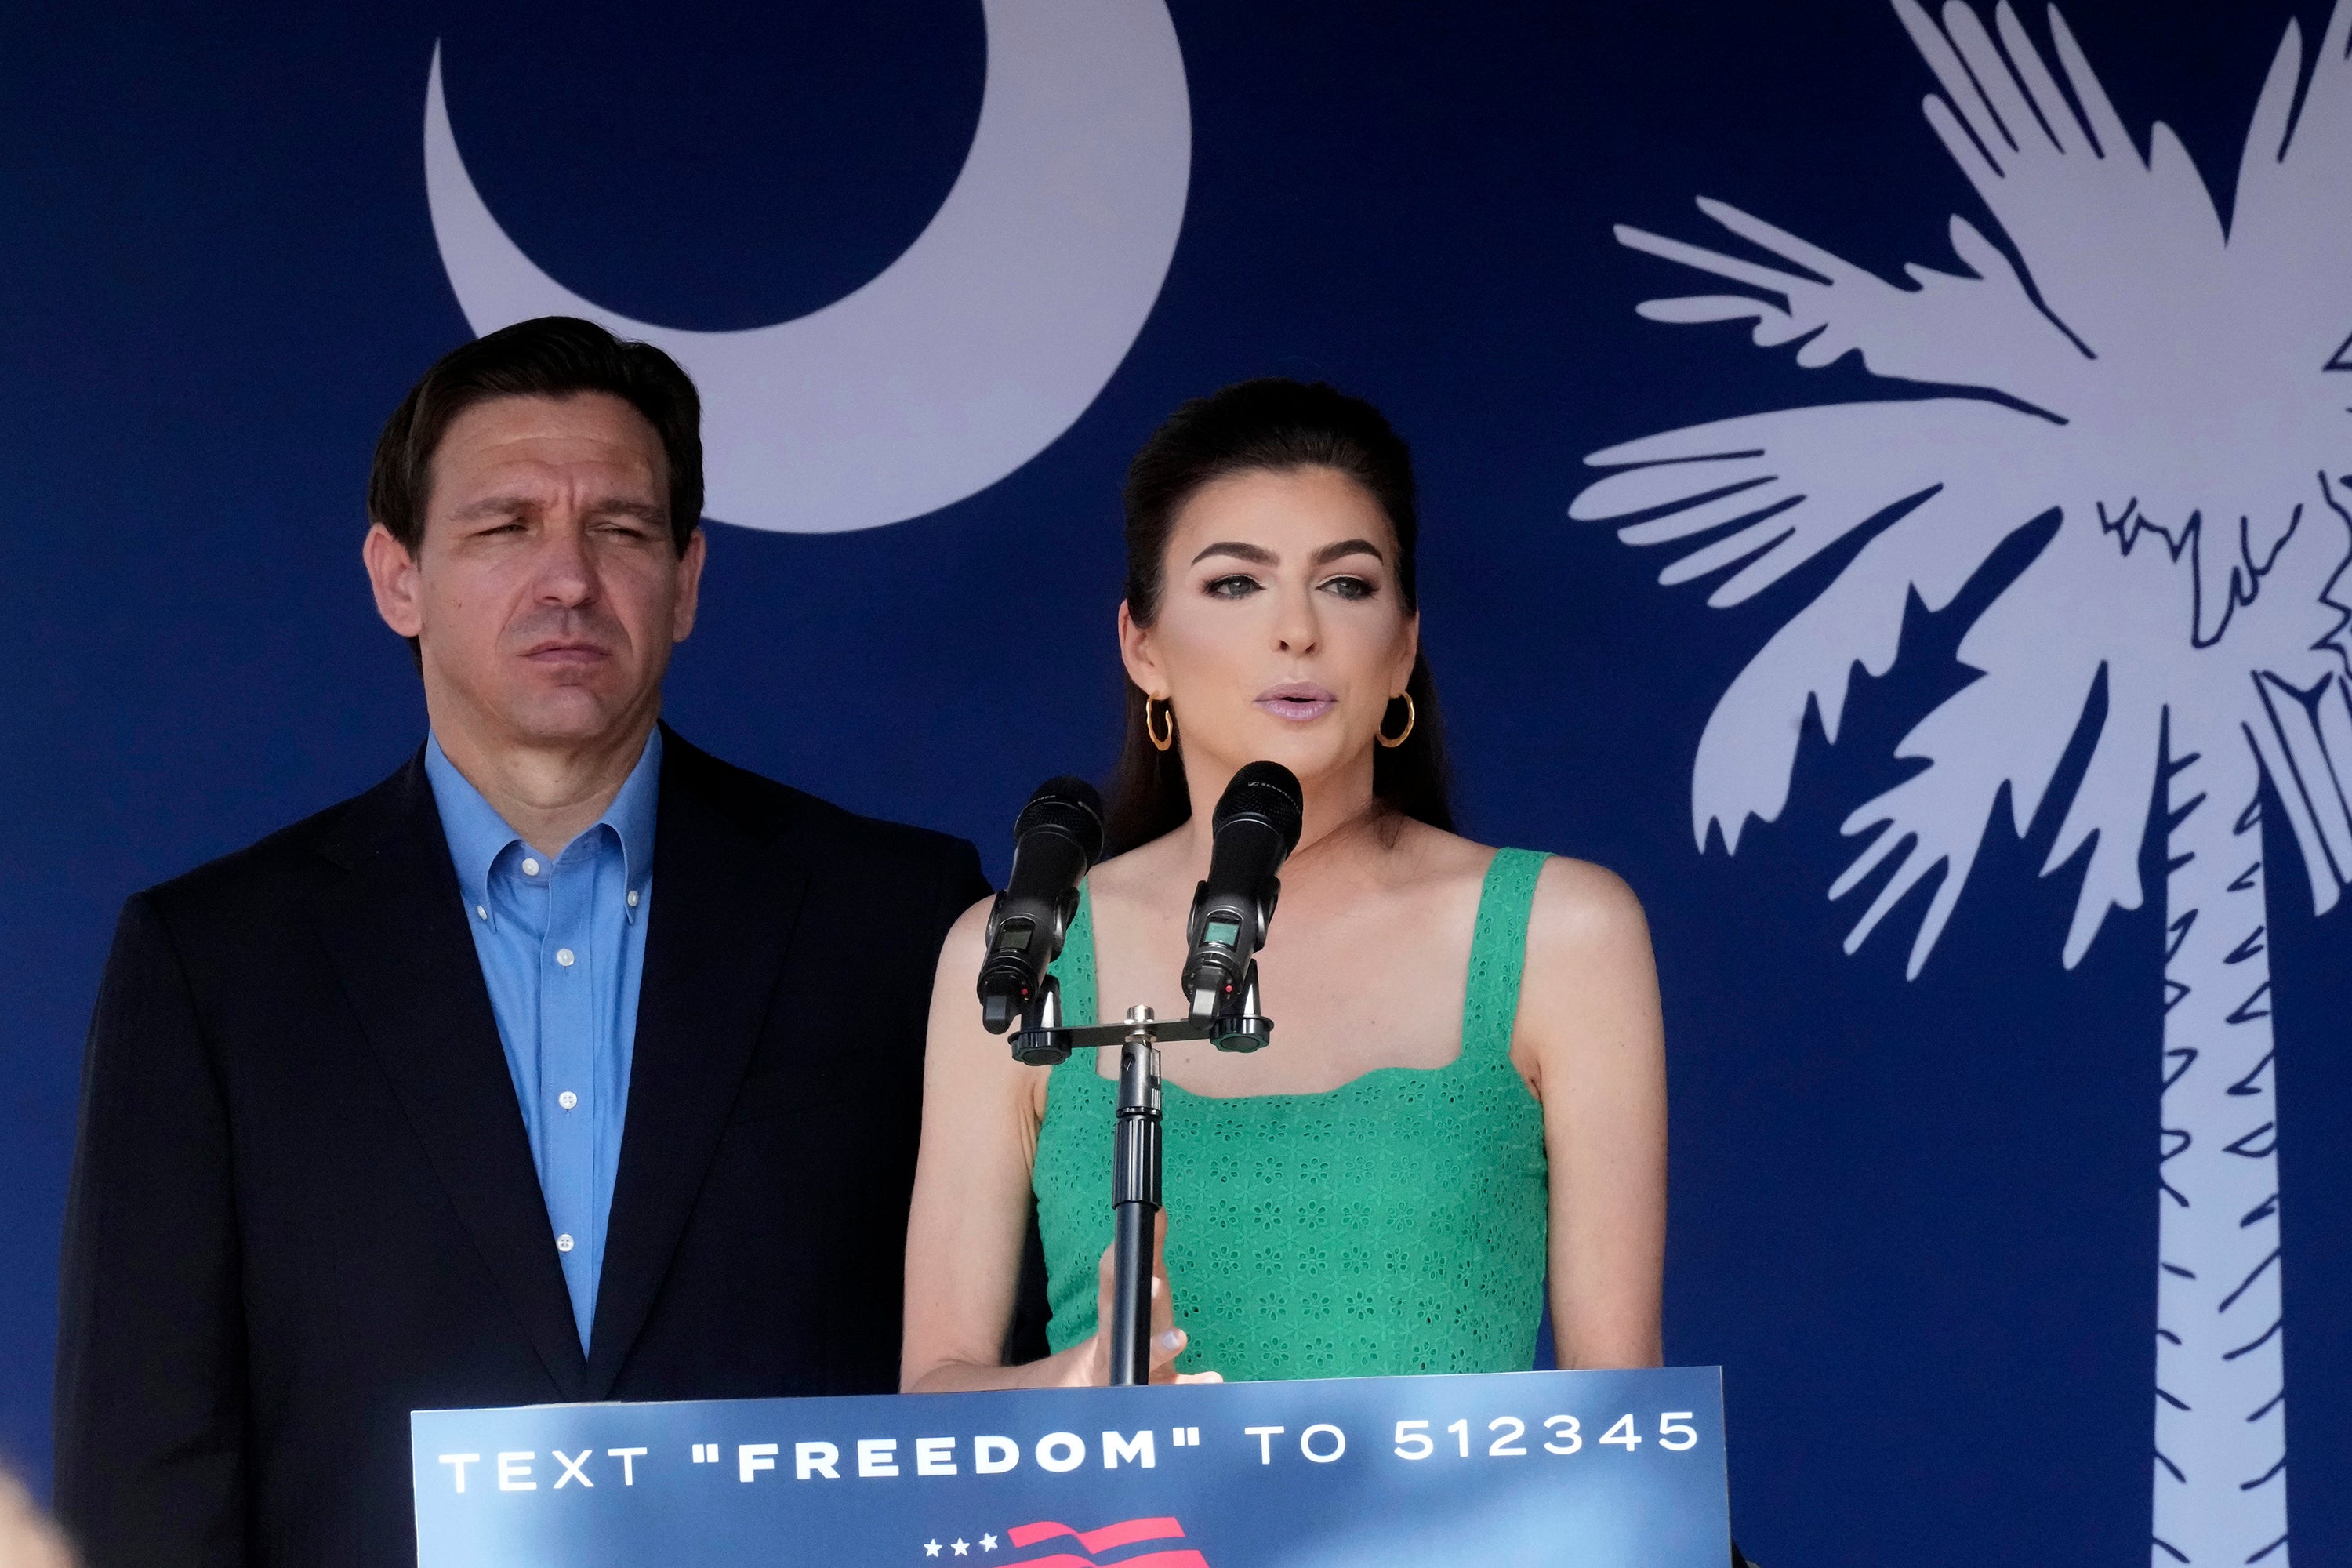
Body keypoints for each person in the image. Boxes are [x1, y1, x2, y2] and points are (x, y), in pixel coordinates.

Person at [54, 317, 989, 1566]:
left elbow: (988, 1406)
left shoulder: (903, 917)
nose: (569, 579)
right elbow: (145, 1459)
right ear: (399, 579)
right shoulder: (215, 959)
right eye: (505, 528)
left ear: (689, 579)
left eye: (621, 529)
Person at [903, 379, 1667, 1390]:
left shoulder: (1560, 934)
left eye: (1347, 584)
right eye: (1234, 585)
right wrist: (1076, 1384)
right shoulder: (1020, 948)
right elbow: (936, 1388)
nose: (1297, 631)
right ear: (1142, 646)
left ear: (1404, 646)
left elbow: (1618, 1409)